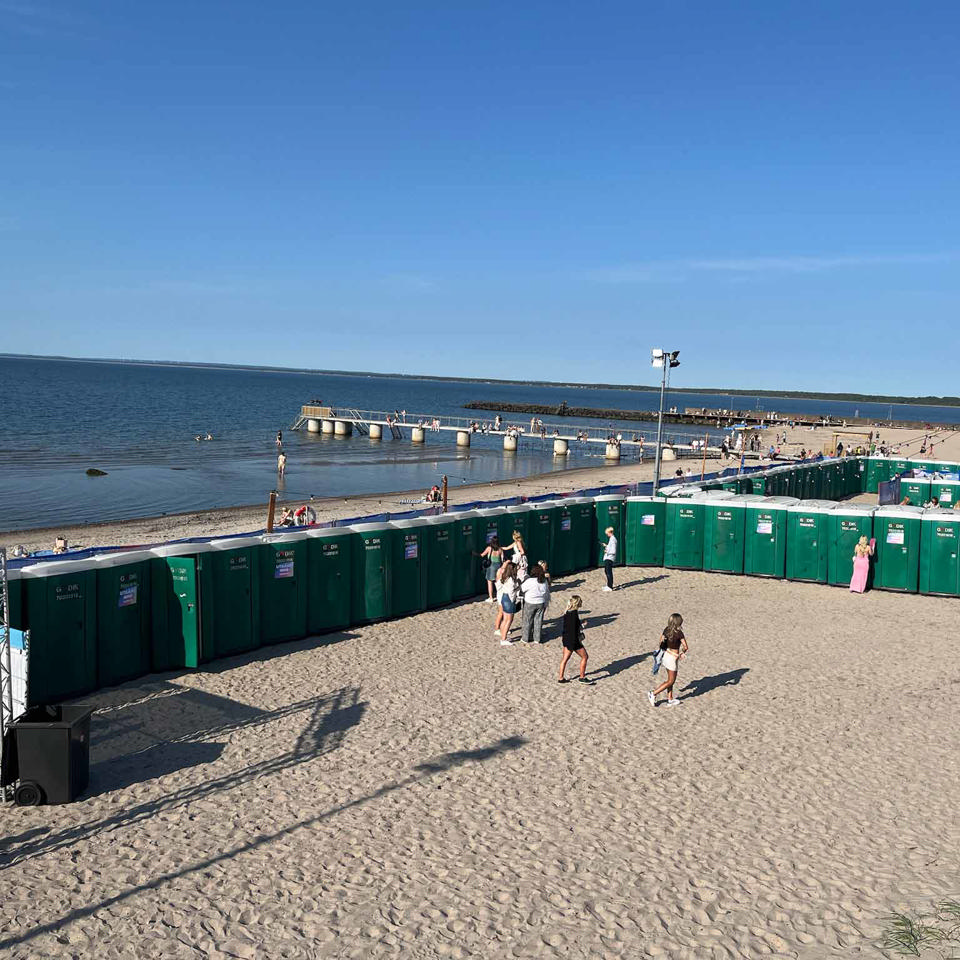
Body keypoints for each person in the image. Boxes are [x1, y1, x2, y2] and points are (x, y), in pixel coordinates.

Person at [648, 613, 688, 707]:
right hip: (673, 658)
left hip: (666, 656)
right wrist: (682, 653)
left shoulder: (666, 630)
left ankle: (670, 699)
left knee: (670, 679)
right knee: (671, 681)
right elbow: (685, 647)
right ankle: (653, 693)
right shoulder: (679, 633)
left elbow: (661, 643)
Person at [558, 595, 591, 684]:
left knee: (564, 660)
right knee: (585, 657)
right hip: (573, 641)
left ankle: (561, 678)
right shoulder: (574, 614)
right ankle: (582, 677)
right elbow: (574, 629)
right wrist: (582, 625)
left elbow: (569, 627)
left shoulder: (567, 612)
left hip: (566, 639)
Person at [520, 563, 550, 643]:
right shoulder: (544, 581)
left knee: (527, 620)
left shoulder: (530, 581)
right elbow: (546, 591)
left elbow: (522, 589)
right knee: (538, 620)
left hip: (530, 602)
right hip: (541, 602)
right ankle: (537, 638)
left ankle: (525, 638)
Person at [494, 561, 520, 645]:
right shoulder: (511, 580)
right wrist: (518, 587)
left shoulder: (505, 577)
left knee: (505, 619)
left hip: (504, 597)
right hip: (509, 599)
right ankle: (503, 639)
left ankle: (503, 636)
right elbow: (512, 591)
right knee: (509, 620)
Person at [476, 537, 503, 602]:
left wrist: (474, 553)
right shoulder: (500, 549)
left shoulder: (489, 548)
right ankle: (499, 596)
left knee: (490, 582)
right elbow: (502, 559)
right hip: (498, 565)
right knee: (497, 582)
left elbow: (482, 555)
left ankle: (491, 598)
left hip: (491, 566)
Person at [600, 526, 618, 591]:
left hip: (609, 558)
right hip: (609, 557)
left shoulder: (613, 539)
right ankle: (608, 585)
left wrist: (607, 551)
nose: (607, 535)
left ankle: (610, 586)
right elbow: (611, 548)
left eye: (607, 533)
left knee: (608, 572)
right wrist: (606, 546)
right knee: (607, 571)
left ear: (610, 532)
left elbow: (613, 551)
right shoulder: (612, 539)